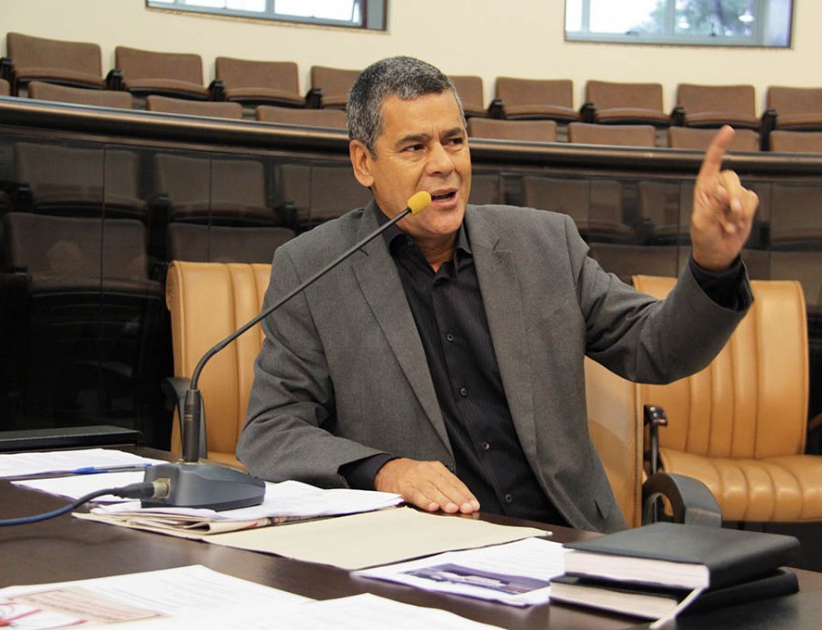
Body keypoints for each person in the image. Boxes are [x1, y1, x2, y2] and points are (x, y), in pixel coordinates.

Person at [236, 56, 757, 533]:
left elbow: (657, 347)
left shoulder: (544, 244)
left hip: (568, 538)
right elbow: (272, 430)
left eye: (455, 141)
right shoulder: (316, 268)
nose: (444, 164)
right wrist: (384, 471)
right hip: (421, 551)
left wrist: (713, 265)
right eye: (415, 147)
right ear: (364, 163)